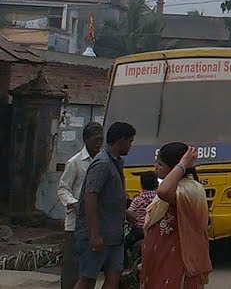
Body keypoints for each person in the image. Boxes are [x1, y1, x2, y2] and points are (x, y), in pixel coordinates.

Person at [72, 121, 135, 289]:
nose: (131, 146)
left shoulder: (115, 163)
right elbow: (90, 197)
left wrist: (126, 212)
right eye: (130, 141)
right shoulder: (102, 164)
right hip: (98, 234)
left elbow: (110, 197)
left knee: (115, 274)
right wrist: (94, 234)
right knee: (88, 278)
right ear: (121, 141)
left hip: (114, 235)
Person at [140, 143, 212, 288]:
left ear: (174, 168)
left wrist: (183, 164)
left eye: (160, 164)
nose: (155, 167)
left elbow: (163, 192)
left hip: (178, 261)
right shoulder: (174, 186)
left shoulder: (189, 190)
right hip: (159, 260)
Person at [57, 122, 104, 289]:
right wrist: (73, 203)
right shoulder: (75, 162)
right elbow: (63, 189)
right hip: (75, 223)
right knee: (72, 265)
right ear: (86, 139)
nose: (99, 143)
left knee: (88, 268)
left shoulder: (102, 161)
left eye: (101, 139)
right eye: (95, 139)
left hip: (93, 222)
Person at [127, 171, 158, 236]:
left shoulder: (138, 200)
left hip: (140, 231)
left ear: (141, 185)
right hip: (156, 229)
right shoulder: (159, 199)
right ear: (157, 184)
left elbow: (130, 213)